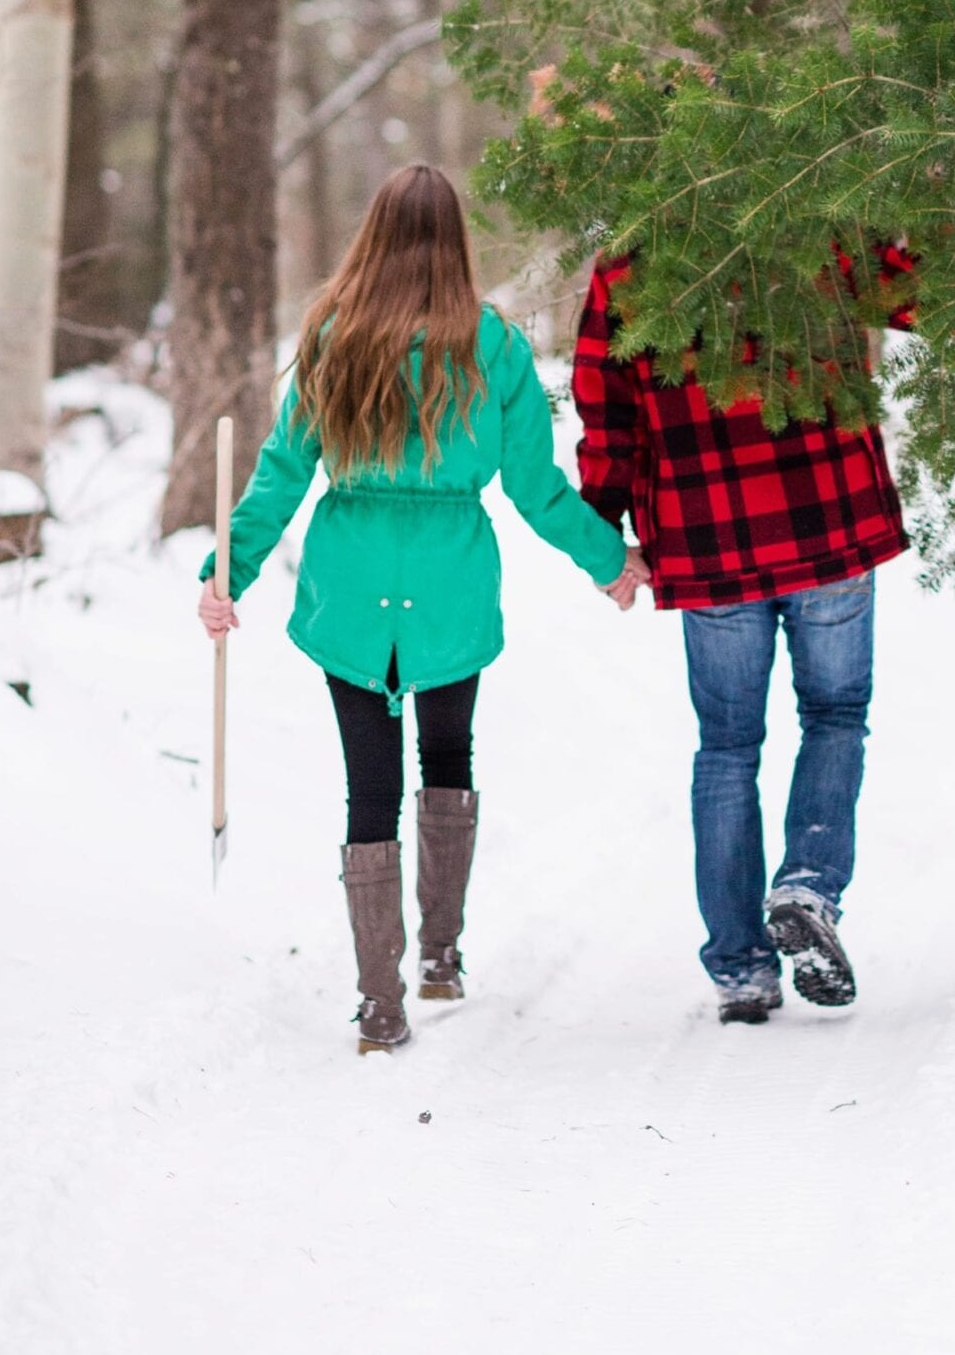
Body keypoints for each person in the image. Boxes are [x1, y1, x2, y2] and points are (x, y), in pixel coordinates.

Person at [197, 165, 646, 1054]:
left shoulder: (333, 335)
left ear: (372, 234)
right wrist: (610, 560)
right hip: (450, 584)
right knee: (447, 751)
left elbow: (281, 475)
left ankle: (379, 1005)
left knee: (370, 786)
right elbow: (533, 486)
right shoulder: (496, 347)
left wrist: (227, 573)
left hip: (349, 586)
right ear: (455, 242)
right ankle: (440, 954)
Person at [572, 252, 909, 1024]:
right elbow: (925, 292)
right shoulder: (820, 212)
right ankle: (807, 885)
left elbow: (607, 410)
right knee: (834, 715)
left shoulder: (628, 263)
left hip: (708, 532)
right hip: (830, 511)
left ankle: (740, 968)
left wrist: (603, 525)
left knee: (726, 746)